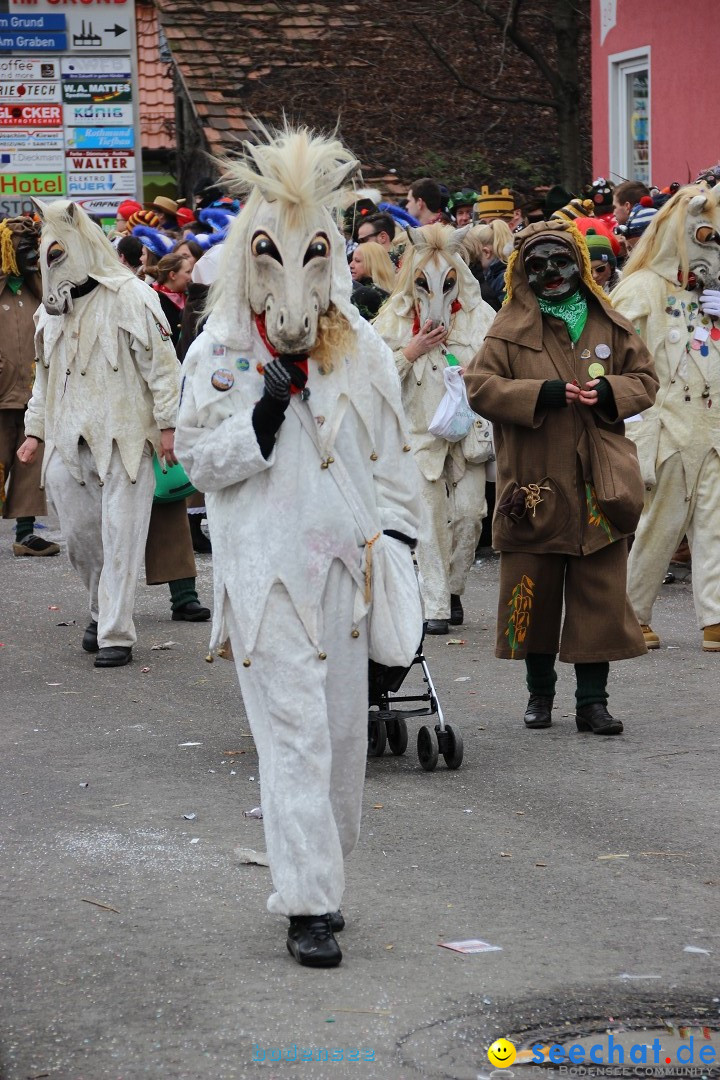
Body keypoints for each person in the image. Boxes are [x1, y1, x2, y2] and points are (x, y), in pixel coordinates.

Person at [175, 125, 421, 968]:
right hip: (266, 576)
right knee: (296, 738)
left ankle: (321, 871)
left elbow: (395, 459)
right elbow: (196, 461)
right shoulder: (216, 355)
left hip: (346, 579)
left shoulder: (364, 350)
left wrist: (401, 548)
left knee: (346, 741)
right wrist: (263, 415)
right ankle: (307, 904)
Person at [464, 220, 658, 735]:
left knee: (599, 595)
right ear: (523, 272)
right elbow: (479, 388)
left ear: (579, 264)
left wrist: (613, 392)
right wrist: (539, 394)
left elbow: (646, 379)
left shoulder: (609, 324)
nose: (551, 272)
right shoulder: (507, 329)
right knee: (535, 591)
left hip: (599, 484)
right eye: (539, 264)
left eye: (561, 261)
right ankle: (540, 697)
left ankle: (593, 702)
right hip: (534, 485)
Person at [17, 199, 181, 668]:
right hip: (69, 442)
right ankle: (97, 610)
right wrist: (35, 433)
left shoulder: (133, 296)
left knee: (122, 535)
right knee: (83, 539)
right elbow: (43, 379)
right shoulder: (49, 315)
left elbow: (163, 368)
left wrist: (169, 426)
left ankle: (116, 633)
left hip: (126, 438)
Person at [611, 184, 720, 653]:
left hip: (712, 424)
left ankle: (715, 617)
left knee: (716, 523)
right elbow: (614, 355)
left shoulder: (712, 291)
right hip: (666, 424)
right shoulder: (642, 287)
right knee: (661, 524)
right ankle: (632, 612)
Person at [374, 223, 496, 633]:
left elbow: (500, 370)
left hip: (468, 437)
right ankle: (435, 605)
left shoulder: (481, 317)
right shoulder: (392, 319)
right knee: (429, 521)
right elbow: (371, 381)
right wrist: (412, 351)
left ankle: (453, 586)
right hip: (419, 435)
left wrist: (472, 375)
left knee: (470, 517)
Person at [0, 216, 59, 557]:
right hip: (2, 391)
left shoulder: (40, 290)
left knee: (29, 464)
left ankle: (25, 531)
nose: (30, 256)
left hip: (33, 394)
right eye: (21, 248)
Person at [462, 219, 513, 310]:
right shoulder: (494, 274)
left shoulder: (505, 279)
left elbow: (503, 313)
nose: (472, 262)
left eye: (474, 256)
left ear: (486, 253)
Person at [152, 253, 193, 350]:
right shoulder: (155, 300)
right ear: (173, 275)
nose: (191, 277)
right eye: (188, 272)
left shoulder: (189, 297)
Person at [584, 229, 621, 293]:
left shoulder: (624, 284)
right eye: (588, 272)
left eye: (600, 269)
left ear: (611, 265)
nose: (595, 275)